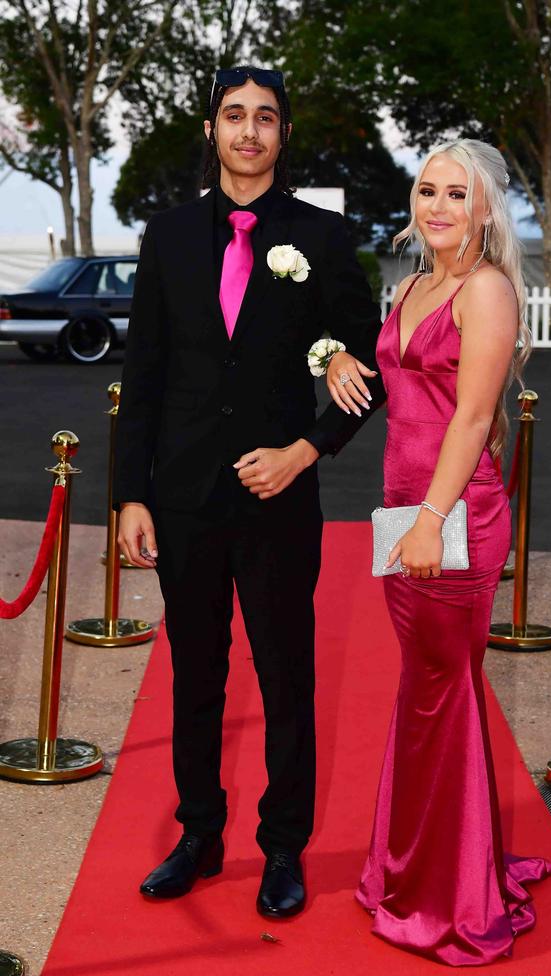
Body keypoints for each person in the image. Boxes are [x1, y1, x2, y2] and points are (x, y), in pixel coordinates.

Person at [113, 66, 383, 918]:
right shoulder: (169, 235)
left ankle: (282, 850)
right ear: (211, 129)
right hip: (184, 497)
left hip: (279, 499)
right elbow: (144, 372)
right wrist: (131, 494)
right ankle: (198, 836)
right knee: (195, 677)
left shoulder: (323, 236)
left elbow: (361, 360)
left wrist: (306, 449)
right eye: (235, 116)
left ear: (283, 135)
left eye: (266, 118)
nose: (250, 132)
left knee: (284, 678)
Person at [325, 139, 551, 964]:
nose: (438, 207)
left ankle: (449, 896)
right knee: (430, 688)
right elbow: (404, 383)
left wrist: (431, 516)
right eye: (428, 191)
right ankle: (422, 865)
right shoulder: (418, 283)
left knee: (441, 691)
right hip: (406, 512)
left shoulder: (486, 290)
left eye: (457, 194)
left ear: (485, 209)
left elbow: (469, 417)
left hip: (451, 513)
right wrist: (345, 357)